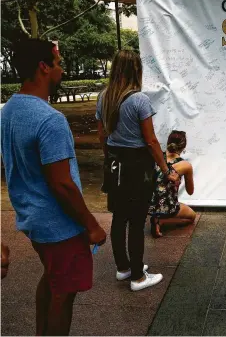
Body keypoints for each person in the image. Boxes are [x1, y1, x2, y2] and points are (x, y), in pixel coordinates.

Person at [1, 38, 107, 335]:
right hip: (59, 224)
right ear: (43, 67)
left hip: (33, 219)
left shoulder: (9, 109)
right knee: (64, 293)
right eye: (58, 64)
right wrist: (91, 225)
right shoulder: (50, 120)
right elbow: (62, 184)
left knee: (52, 279)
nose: (61, 70)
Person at [96, 50, 179, 291]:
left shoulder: (103, 97)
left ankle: (123, 268)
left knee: (119, 217)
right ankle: (138, 277)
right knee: (136, 219)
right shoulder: (139, 100)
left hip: (115, 163)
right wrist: (166, 170)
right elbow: (151, 141)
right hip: (137, 166)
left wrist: (110, 157)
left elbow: (102, 135)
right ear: (136, 70)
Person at [148, 130, 196, 238]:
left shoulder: (156, 157)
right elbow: (190, 191)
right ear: (184, 146)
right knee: (192, 217)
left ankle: (157, 218)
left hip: (149, 204)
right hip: (167, 205)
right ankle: (161, 221)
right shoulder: (185, 165)